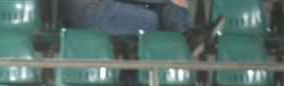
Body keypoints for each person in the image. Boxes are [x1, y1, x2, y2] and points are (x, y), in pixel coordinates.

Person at [59, 0, 192, 35]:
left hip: (93, 9)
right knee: (152, 19)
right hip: (90, 12)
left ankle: (183, 34)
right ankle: (183, 36)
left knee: (163, 9)